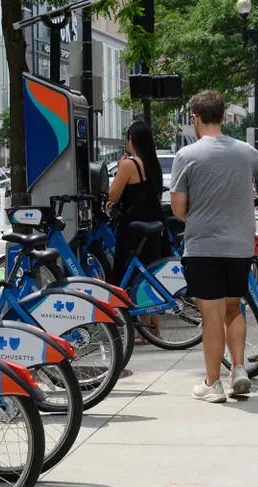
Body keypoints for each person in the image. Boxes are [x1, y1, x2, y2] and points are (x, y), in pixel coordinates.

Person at [169, 90, 258, 403]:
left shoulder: (187, 156)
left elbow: (178, 208)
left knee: (212, 315)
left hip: (203, 246)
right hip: (240, 246)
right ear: (222, 117)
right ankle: (240, 369)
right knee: (234, 308)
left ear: (195, 119)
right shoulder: (245, 151)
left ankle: (212, 383)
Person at [107, 121, 167, 341]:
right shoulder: (153, 163)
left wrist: (121, 165)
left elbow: (113, 194)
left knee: (130, 274)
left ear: (131, 139)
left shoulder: (129, 164)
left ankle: (144, 330)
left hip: (133, 228)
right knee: (150, 275)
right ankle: (153, 330)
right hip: (154, 226)